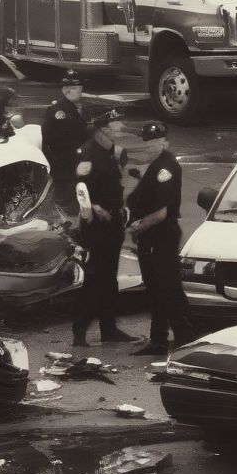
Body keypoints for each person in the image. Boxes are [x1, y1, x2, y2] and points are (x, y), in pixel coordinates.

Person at [127, 121, 197, 356]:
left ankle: (185, 338)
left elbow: (161, 213)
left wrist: (138, 226)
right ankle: (158, 340)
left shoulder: (165, 169)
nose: (150, 145)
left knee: (168, 289)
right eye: (148, 141)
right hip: (151, 238)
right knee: (155, 290)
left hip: (161, 236)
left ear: (165, 142)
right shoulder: (155, 165)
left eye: (156, 141)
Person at [71, 111, 136, 347]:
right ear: (103, 130)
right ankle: (80, 330)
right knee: (94, 278)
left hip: (114, 222)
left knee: (110, 279)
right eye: (115, 124)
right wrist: (95, 209)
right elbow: (80, 190)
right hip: (97, 226)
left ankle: (109, 329)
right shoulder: (87, 155)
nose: (120, 127)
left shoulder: (111, 151)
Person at [42, 70, 90, 215]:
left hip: (70, 165)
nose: (81, 94)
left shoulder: (70, 108)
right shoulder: (60, 112)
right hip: (65, 168)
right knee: (69, 207)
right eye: (79, 91)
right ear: (68, 91)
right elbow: (67, 139)